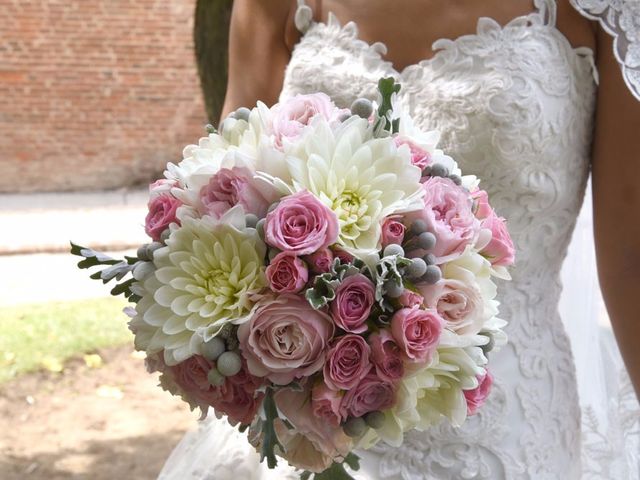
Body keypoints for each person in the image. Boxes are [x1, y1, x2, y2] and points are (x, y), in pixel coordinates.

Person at [159, 1, 640, 478]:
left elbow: (630, 258)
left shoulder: (604, 10)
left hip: (507, 423)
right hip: (306, 420)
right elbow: (225, 194)